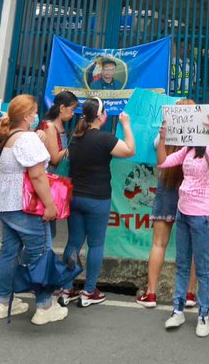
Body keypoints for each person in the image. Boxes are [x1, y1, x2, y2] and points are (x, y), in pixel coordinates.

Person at [0, 94, 68, 325]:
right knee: (40, 255)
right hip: (26, 206)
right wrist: (50, 205)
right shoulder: (27, 140)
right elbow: (37, 175)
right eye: (34, 112)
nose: (37, 115)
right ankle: (44, 307)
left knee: (8, 253)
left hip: (6, 205)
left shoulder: (9, 137)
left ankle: (4, 302)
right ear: (26, 116)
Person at [59, 97, 135, 308]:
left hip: (75, 198)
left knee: (73, 242)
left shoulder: (76, 137)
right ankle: (89, 290)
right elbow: (130, 150)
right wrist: (126, 125)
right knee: (96, 244)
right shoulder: (104, 138)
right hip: (97, 199)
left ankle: (66, 287)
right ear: (101, 116)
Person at [160, 115, 209, 337]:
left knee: (202, 267)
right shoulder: (187, 149)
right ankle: (178, 309)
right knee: (181, 263)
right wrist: (162, 139)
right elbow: (164, 162)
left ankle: (203, 314)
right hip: (183, 212)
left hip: (203, 215)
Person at [136, 101, 198, 311]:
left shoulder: (161, 138)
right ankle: (190, 293)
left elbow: (156, 147)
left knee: (158, 244)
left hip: (166, 193)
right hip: (191, 196)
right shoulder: (199, 141)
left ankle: (151, 293)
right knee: (192, 248)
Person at [40, 90, 78, 174]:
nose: (73, 113)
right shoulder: (50, 126)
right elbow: (54, 159)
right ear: (62, 108)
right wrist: (74, 147)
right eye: (72, 109)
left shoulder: (60, 126)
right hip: (51, 176)